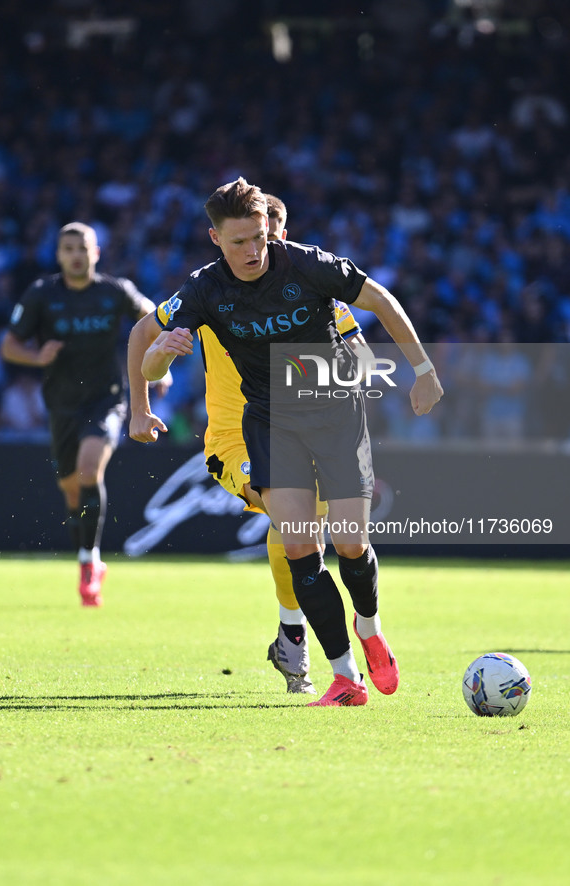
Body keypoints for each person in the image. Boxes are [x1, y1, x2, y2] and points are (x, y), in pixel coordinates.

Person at [136, 178, 443, 707]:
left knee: (348, 542)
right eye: (240, 241)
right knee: (299, 542)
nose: (255, 250)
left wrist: (422, 370)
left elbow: (380, 306)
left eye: (261, 237)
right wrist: (160, 360)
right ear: (215, 239)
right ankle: (343, 675)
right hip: (266, 426)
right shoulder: (203, 291)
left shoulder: (308, 266)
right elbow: (148, 351)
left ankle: (366, 627)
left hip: (335, 420)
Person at [0, 222, 158, 606]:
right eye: (68, 248)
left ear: (96, 253)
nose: (76, 255)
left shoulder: (113, 290)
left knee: (90, 470)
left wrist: (158, 361)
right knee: (72, 490)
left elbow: (152, 316)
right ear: (58, 255)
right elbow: (8, 345)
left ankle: (91, 561)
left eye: (82, 248)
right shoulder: (41, 294)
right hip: (61, 404)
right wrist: (36, 356)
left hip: (107, 399)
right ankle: (86, 559)